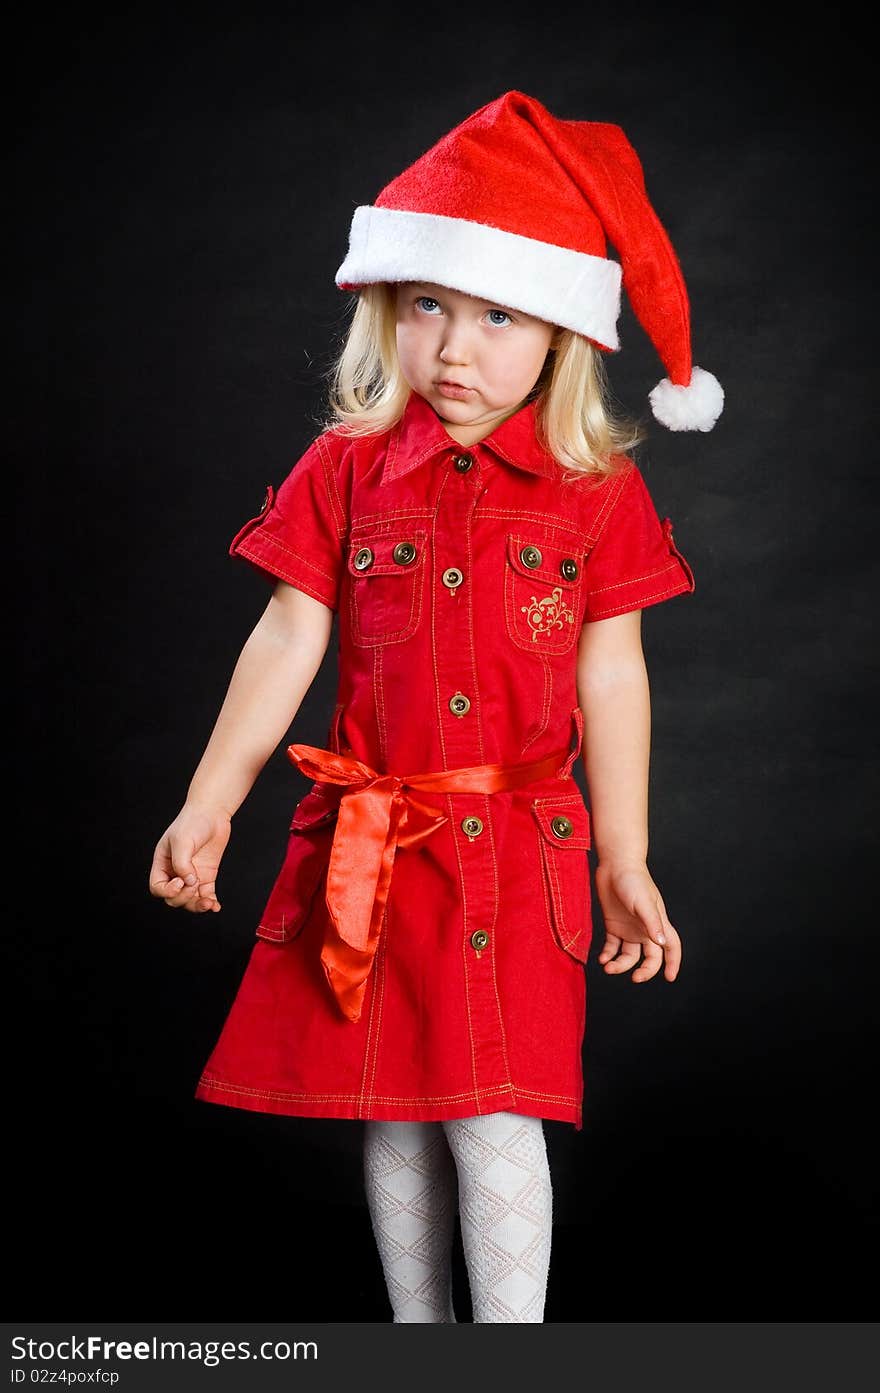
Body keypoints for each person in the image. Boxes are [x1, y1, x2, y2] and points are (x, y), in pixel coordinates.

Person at [149, 90, 723, 1323]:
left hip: (516, 858)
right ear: (384, 310)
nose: (454, 349)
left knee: (495, 1109)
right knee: (393, 1103)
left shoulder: (593, 491)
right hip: (373, 850)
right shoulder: (344, 469)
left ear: (564, 331)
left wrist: (623, 853)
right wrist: (211, 800)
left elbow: (609, 670)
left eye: (498, 316)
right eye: (428, 308)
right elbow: (289, 629)